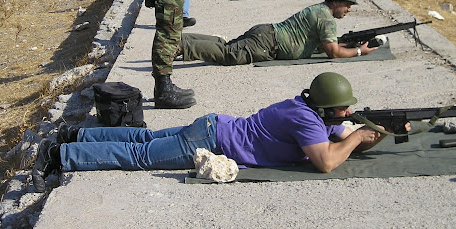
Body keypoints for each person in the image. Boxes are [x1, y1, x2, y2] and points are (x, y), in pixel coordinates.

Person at [31, 72, 389, 192]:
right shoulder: (308, 121)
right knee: (140, 154)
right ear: (324, 108)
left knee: (145, 138)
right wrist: (357, 137)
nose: (348, 113)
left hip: (212, 126)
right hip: (211, 141)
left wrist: (355, 130)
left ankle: (75, 136)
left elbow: (335, 132)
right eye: (343, 108)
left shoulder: (304, 107)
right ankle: (61, 155)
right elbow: (326, 161)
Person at [181, 0, 378, 65]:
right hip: (268, 44)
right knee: (227, 54)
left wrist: (349, 45)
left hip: (266, 34)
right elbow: (333, 52)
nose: (348, 10)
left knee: (227, 46)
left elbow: (330, 45)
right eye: (347, 5)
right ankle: (180, 45)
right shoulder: (326, 19)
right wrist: (360, 52)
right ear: (335, 2)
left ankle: (183, 39)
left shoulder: (321, 10)